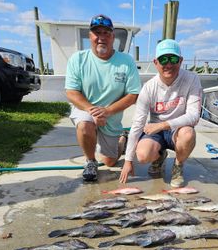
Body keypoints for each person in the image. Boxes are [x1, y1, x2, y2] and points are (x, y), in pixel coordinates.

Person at [65, 14, 141, 182]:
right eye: (96, 32)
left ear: (113, 37)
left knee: (109, 161)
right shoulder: (77, 59)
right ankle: (90, 161)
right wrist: (94, 112)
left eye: (106, 33)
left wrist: (107, 111)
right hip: (86, 110)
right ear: (90, 36)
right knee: (85, 125)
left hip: (111, 116)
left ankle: (122, 140)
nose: (101, 37)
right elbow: (71, 92)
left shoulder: (126, 61)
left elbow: (133, 94)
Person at [119, 39, 202, 187]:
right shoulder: (148, 87)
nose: (168, 64)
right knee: (143, 156)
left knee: (188, 134)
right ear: (155, 62)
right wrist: (128, 161)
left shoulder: (192, 79)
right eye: (163, 59)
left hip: (178, 129)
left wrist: (164, 125)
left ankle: (178, 165)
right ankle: (160, 155)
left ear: (181, 61)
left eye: (173, 59)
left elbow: (194, 116)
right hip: (156, 131)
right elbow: (137, 124)